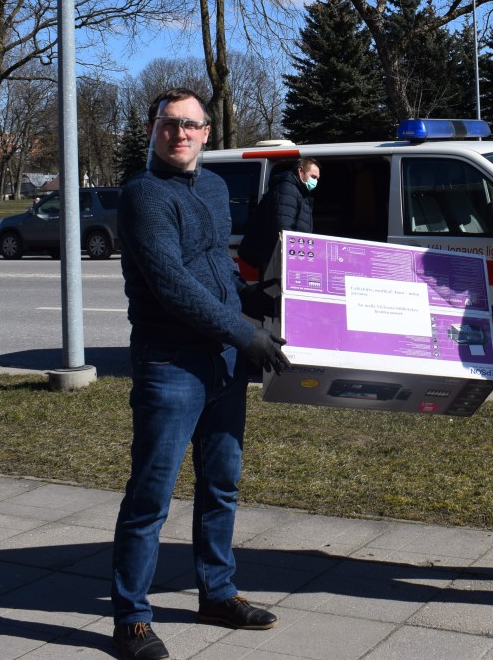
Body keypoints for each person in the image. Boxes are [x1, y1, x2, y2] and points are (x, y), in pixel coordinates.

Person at [110, 87, 291, 660]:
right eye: (169, 123)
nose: (180, 133)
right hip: (171, 365)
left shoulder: (212, 187)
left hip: (223, 363)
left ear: (207, 132)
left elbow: (214, 267)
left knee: (221, 483)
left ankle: (217, 593)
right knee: (151, 495)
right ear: (153, 130)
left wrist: (253, 296)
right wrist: (246, 333)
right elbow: (173, 286)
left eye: (190, 125)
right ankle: (131, 620)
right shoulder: (144, 195)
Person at [237, 158, 321, 280]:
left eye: (317, 179)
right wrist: (294, 257)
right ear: (300, 171)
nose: (315, 181)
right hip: (280, 258)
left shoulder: (298, 191)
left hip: (287, 256)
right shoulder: (288, 189)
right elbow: (283, 228)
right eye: (313, 177)